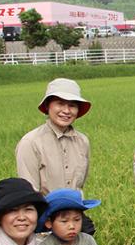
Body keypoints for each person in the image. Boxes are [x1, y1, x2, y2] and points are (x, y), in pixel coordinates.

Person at [16, 79, 93, 231]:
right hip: (45, 221)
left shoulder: (82, 141)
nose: (66, 110)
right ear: (47, 106)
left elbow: (79, 184)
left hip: (74, 222)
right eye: (60, 103)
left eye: (72, 105)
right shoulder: (31, 142)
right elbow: (29, 193)